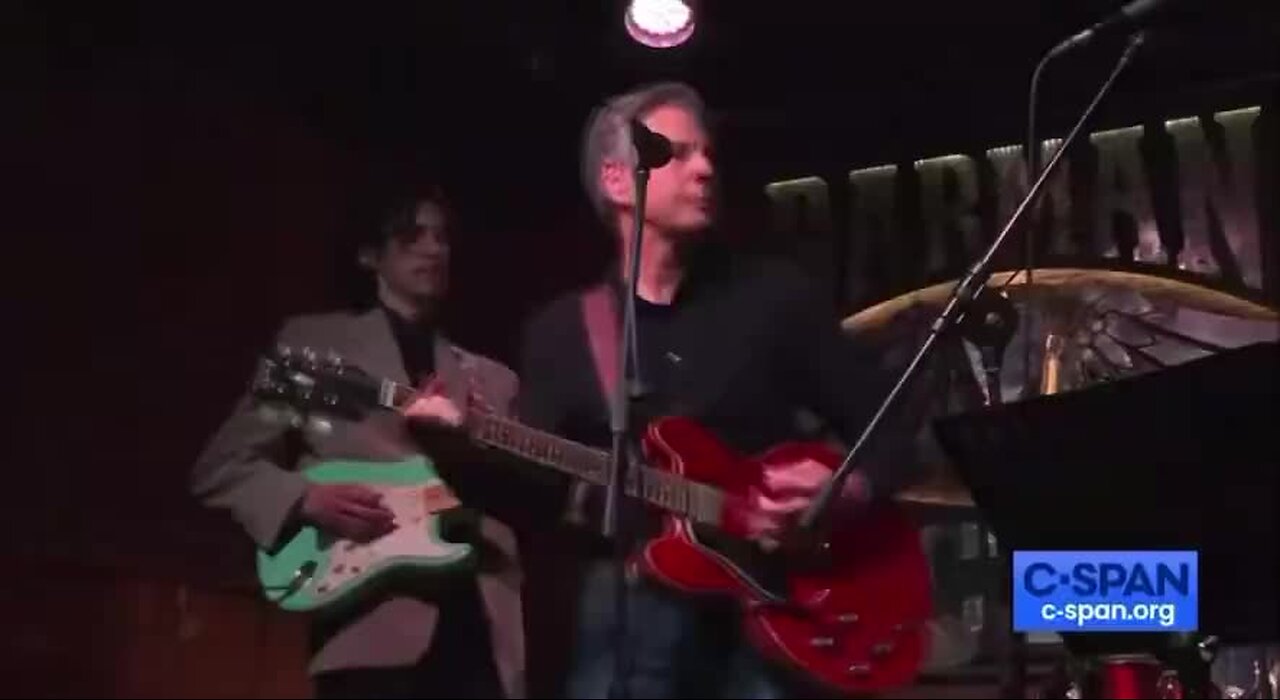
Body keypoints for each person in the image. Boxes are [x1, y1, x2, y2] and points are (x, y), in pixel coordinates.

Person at [513, 82, 933, 698]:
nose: (706, 168)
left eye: (707, 153)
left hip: (773, 623)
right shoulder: (561, 332)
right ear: (615, 180)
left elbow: (895, 428)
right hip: (634, 625)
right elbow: (532, 490)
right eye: (677, 154)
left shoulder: (775, 298)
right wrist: (453, 445)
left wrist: (847, 489)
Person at [189, 188, 531, 699]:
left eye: (442, 238)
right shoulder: (317, 347)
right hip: (370, 627)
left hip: (479, 627)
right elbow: (224, 466)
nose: (434, 250)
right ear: (370, 255)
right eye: (412, 237)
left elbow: (522, 497)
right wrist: (305, 499)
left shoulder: (491, 380)